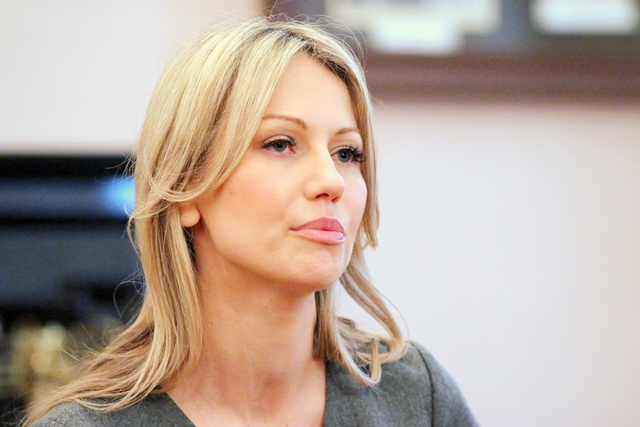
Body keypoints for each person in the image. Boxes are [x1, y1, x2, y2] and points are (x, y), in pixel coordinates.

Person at [25, 17, 478, 426]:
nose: (331, 181)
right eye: (280, 144)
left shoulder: (419, 398)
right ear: (187, 187)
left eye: (347, 153)